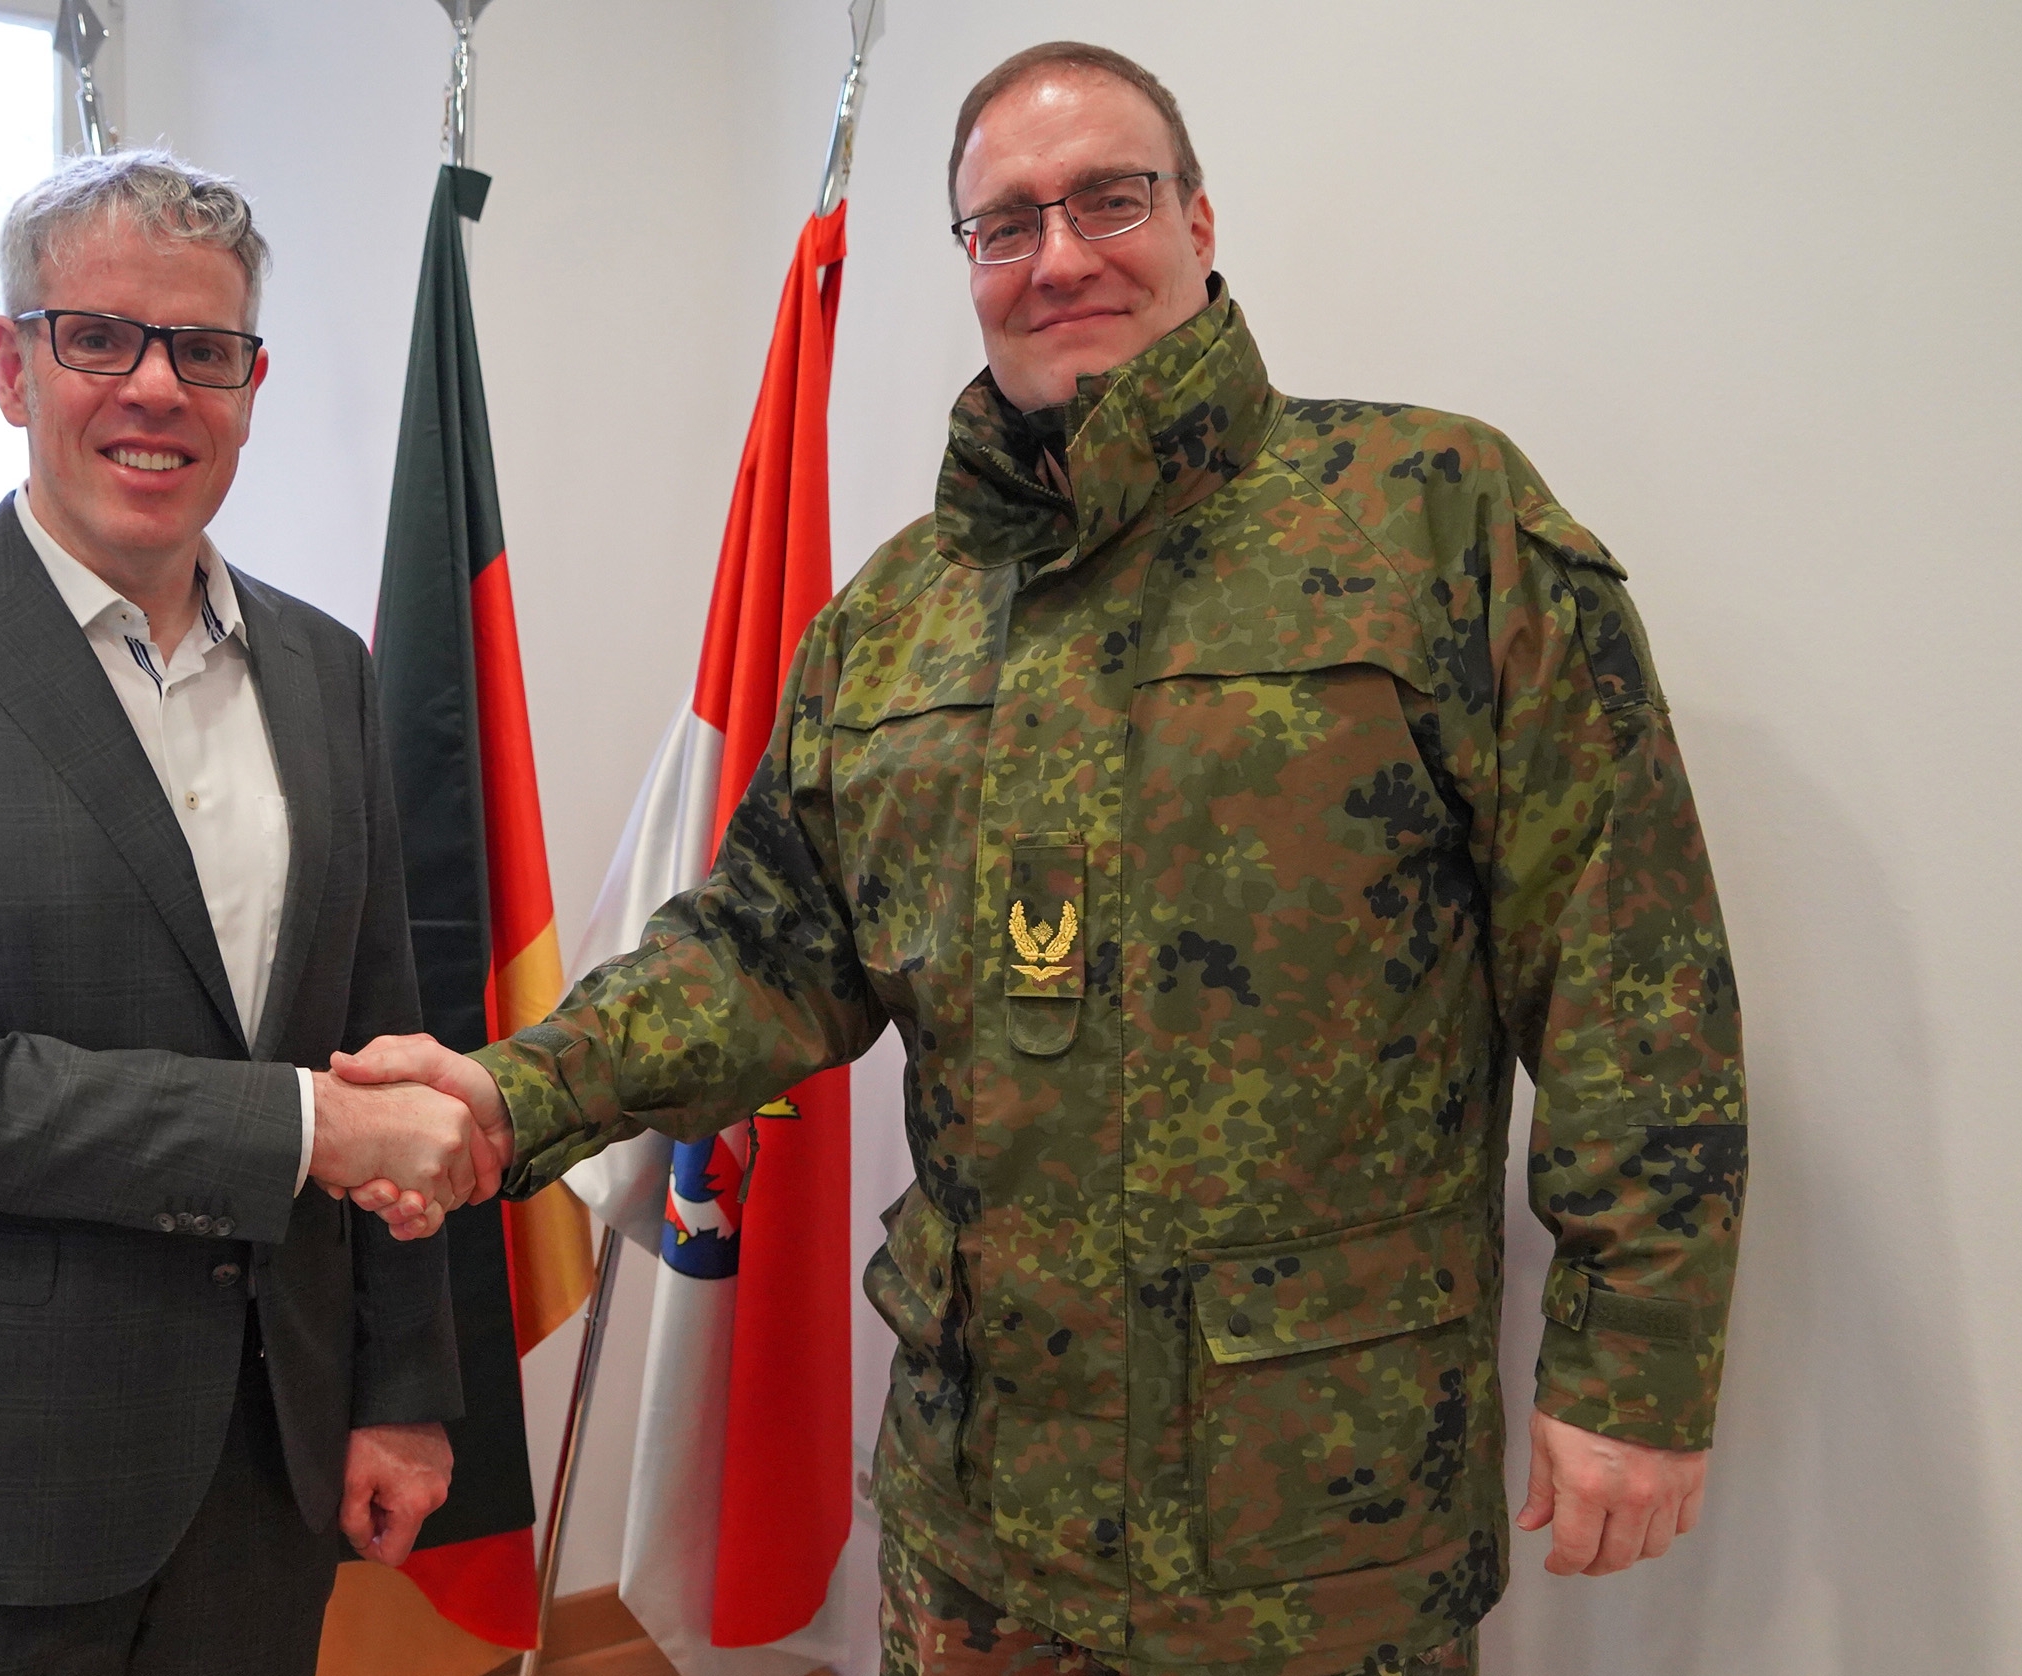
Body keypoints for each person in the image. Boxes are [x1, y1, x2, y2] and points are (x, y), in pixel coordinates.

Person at [339, 40, 1747, 1676]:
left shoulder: (1432, 518)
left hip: (1313, 1523)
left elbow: (1625, 975)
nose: (1061, 253)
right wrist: (514, 1094)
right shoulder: (898, 611)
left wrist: (1630, 1365)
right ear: (967, 265)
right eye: (1006, 224)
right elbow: (766, 950)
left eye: (1109, 198)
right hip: (977, 1518)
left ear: (1200, 221)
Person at [0, 151, 494, 1676]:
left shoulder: (324, 669)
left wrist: (402, 1385)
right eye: (99, 338)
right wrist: (299, 1133)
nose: (154, 388)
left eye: (201, 351)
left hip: (264, 1478)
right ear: (14, 367)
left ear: (249, 384)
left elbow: (381, 1043)